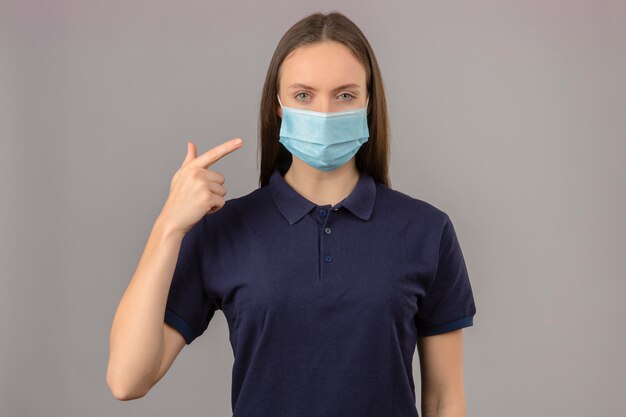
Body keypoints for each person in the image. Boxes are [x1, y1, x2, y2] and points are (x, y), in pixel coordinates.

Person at [106, 11, 477, 417]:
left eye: (345, 94)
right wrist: (168, 226)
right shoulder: (226, 230)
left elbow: (444, 400)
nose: (324, 112)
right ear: (278, 106)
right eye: (304, 95)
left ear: (369, 102)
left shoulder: (426, 230)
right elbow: (127, 379)